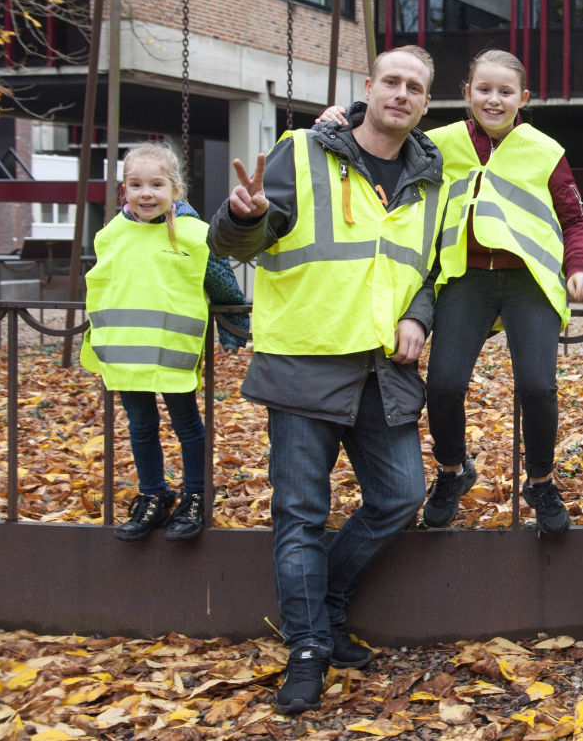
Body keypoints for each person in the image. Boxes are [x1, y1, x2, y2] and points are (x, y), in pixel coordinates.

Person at [209, 46, 446, 716]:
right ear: (368, 88)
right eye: (391, 81)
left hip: (382, 372)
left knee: (400, 497)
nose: (401, 93)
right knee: (300, 518)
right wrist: (245, 216)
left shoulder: (432, 179)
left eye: (415, 87)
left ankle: (328, 602)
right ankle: (309, 647)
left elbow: (428, 271)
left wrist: (418, 318)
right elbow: (237, 245)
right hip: (303, 365)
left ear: (426, 104)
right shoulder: (302, 152)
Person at [318, 49, 583, 534]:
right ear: (466, 94)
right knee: (444, 384)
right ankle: (451, 470)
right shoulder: (439, 142)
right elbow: (386, 132)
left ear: (522, 98)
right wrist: (345, 116)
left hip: (529, 281)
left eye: (505, 92)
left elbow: (575, 219)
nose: (493, 99)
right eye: (483, 90)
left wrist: (579, 266)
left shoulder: (545, 151)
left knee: (538, 386)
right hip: (465, 276)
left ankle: (541, 480)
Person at [81, 142, 249, 542]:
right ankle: (153, 494)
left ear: (176, 188)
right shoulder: (111, 234)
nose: (145, 193)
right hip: (124, 353)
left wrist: (233, 323)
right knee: (141, 426)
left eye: (156, 184)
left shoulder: (194, 233)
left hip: (174, 353)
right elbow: (102, 288)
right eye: (135, 184)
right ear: (124, 189)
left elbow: (221, 280)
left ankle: (195, 493)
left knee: (187, 424)